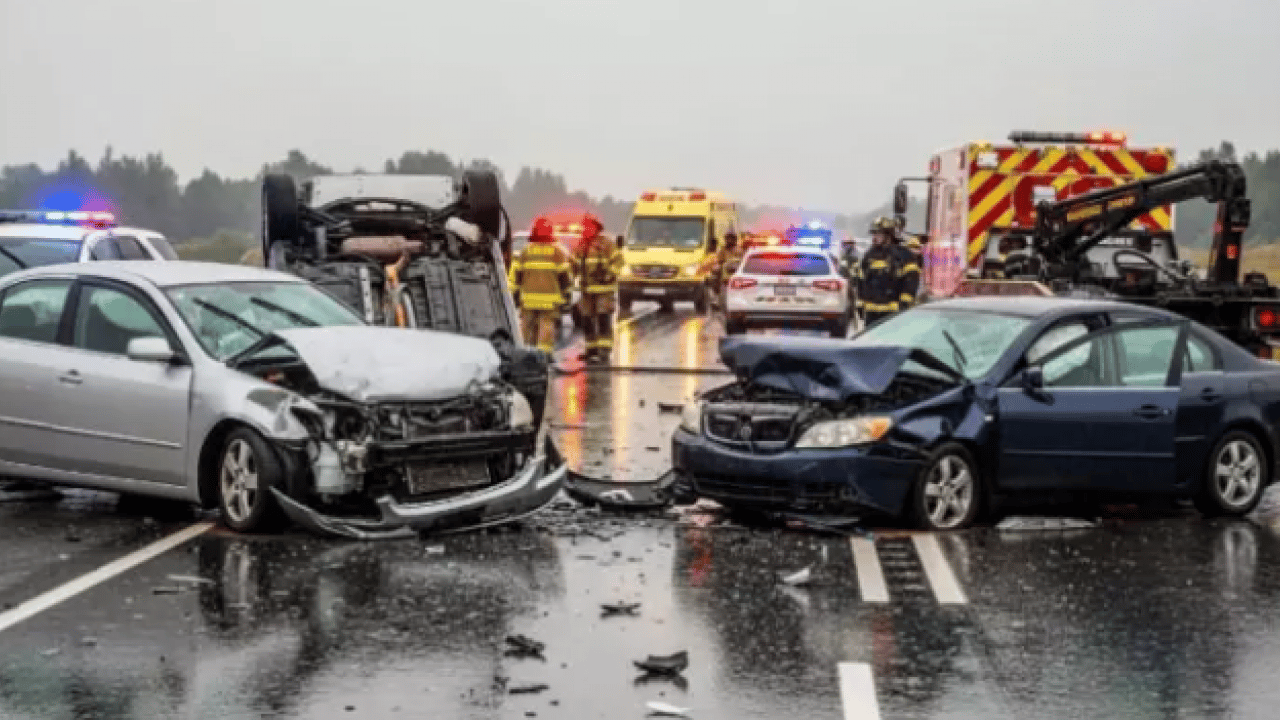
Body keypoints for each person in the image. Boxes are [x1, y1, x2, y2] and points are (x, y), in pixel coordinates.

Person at [508, 216, 575, 353]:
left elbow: (516, 276)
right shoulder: (557, 252)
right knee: (546, 329)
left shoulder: (526, 251)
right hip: (550, 301)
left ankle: (527, 355)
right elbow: (565, 277)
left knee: (527, 329)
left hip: (528, 300)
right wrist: (567, 296)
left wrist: (514, 296)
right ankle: (543, 355)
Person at [574, 214, 624, 363]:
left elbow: (619, 262)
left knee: (603, 319)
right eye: (585, 226)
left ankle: (604, 352)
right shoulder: (582, 245)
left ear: (596, 228)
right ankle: (591, 350)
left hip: (604, 290)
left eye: (589, 226)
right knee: (587, 320)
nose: (586, 229)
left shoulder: (607, 243)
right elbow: (574, 264)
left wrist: (609, 274)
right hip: (587, 290)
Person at [858, 217, 903, 326]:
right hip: (871, 313)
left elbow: (906, 283)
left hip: (891, 312)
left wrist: (904, 305)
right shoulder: (868, 255)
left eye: (878, 234)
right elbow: (861, 281)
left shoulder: (897, 256)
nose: (874, 237)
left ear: (888, 236)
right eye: (873, 234)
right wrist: (860, 303)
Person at [897, 234, 922, 310]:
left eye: (916, 248)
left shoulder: (916, 263)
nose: (914, 250)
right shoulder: (904, 263)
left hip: (912, 303)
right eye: (912, 247)